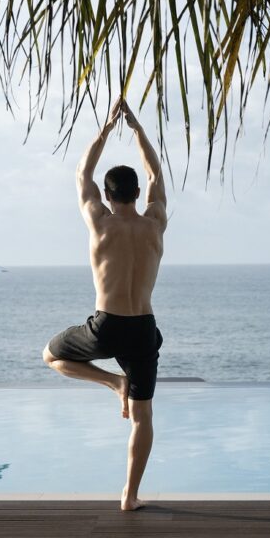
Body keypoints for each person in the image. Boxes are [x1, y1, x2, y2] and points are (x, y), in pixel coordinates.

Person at [42, 97, 168, 512]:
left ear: (109, 194)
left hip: (106, 325)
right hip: (144, 327)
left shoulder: (99, 220)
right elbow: (156, 172)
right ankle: (129, 497)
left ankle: (113, 383)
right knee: (143, 416)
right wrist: (137, 130)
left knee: (51, 355)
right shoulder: (155, 223)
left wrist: (106, 128)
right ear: (136, 193)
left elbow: (83, 172)